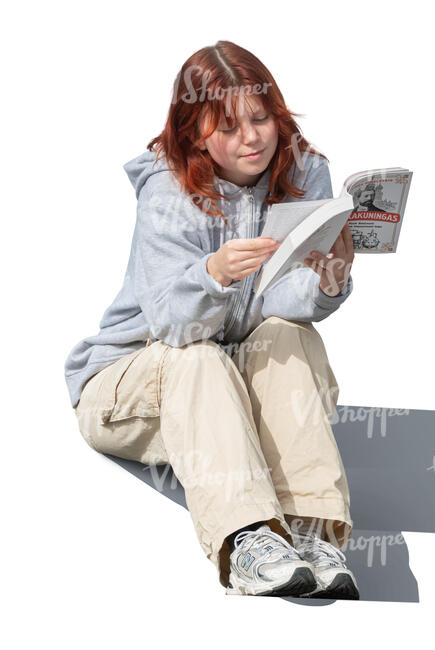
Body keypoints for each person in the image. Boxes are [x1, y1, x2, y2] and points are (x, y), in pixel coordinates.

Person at [64, 41, 359, 600]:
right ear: (193, 131)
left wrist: (329, 281)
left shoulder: (303, 172)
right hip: (129, 385)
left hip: (227, 377)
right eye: (226, 127)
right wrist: (213, 275)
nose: (251, 137)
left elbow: (279, 301)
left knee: (288, 335)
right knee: (196, 356)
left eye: (260, 117)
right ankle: (248, 537)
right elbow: (173, 327)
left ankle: (312, 530)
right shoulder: (168, 189)